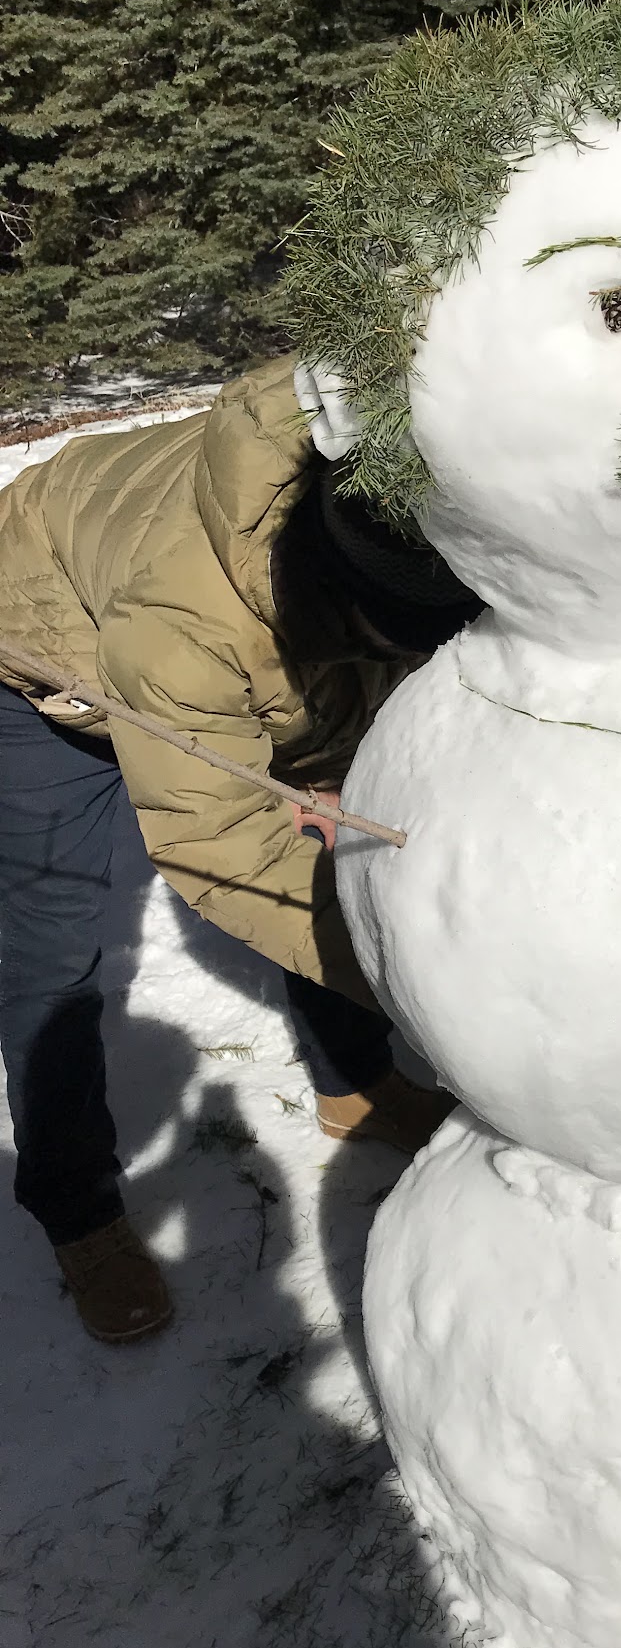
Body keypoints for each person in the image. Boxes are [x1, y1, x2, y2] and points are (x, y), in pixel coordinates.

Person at [0, 358, 483, 1341]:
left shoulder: (391, 466)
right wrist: (413, 983)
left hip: (240, 622)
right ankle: (77, 1209)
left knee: (327, 846)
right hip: (46, 647)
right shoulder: (184, 627)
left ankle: (355, 1082)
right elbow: (220, 844)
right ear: (340, 604)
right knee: (50, 952)